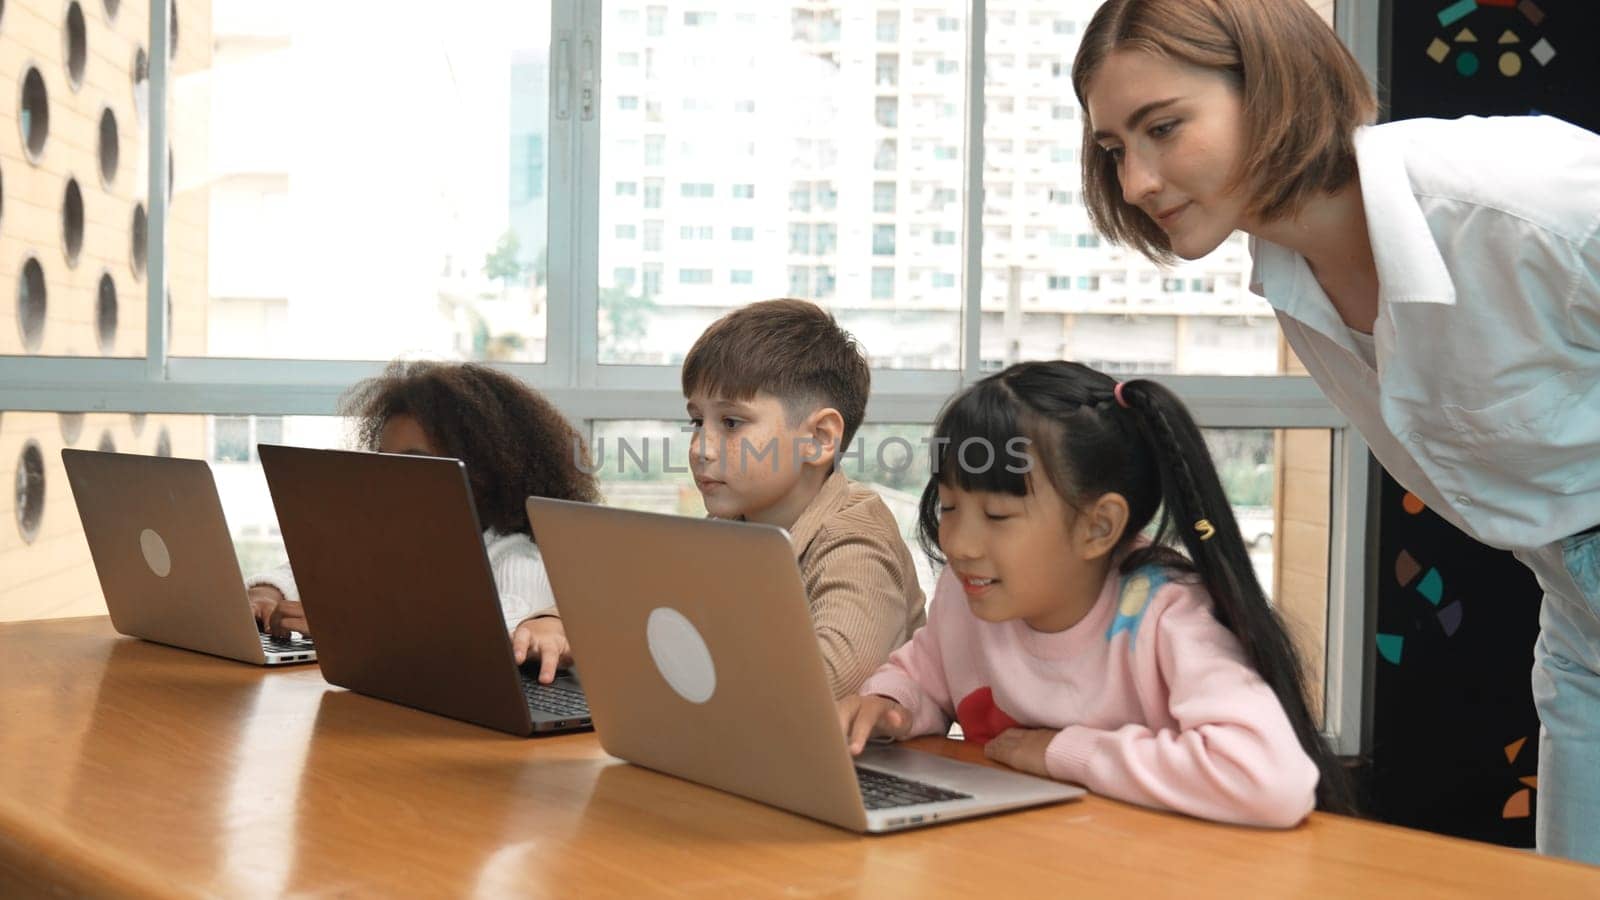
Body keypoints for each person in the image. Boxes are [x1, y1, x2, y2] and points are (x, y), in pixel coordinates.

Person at [1072, 0, 1599, 859]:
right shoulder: (1293, 280)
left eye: (1163, 127)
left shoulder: (1519, 199)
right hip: (1578, 628)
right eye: (1114, 151)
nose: (1136, 182)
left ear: (1273, 85)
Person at [839, 361, 1349, 827]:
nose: (960, 544)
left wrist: (1069, 753)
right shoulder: (969, 594)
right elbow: (925, 676)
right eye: (949, 507)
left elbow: (1270, 780)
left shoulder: (1166, 615)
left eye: (997, 516)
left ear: (1098, 527)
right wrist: (889, 704)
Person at [248, 360, 601, 684]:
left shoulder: (517, 554)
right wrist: (268, 592)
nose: (389, 480)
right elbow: (312, 569)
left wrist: (354, 624)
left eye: (414, 463)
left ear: (486, 472)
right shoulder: (398, 539)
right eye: (383, 463)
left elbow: (495, 631)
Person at [681, 299, 927, 697]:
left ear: (819, 438)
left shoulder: (855, 540)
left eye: (730, 422)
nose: (700, 449)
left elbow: (826, 681)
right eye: (697, 421)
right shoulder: (731, 526)